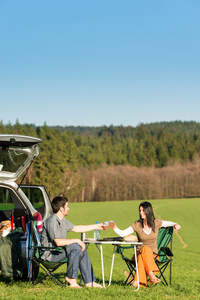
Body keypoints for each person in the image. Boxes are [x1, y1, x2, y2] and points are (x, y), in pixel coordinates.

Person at [112, 201, 181, 288]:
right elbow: (123, 233)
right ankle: (151, 274)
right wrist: (114, 227)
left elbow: (167, 223)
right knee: (145, 249)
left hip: (153, 256)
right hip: (138, 253)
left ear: (149, 211)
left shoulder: (156, 223)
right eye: (140, 211)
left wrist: (175, 224)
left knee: (143, 255)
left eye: (143, 211)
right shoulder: (137, 225)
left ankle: (136, 283)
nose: (141, 213)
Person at [40, 196, 104, 288]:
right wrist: (77, 240)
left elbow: (77, 228)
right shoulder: (52, 221)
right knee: (75, 246)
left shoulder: (62, 221)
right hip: (50, 254)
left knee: (81, 248)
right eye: (67, 206)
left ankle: (89, 282)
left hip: (58, 251)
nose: (69, 208)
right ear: (61, 209)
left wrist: (97, 226)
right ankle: (71, 278)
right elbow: (58, 242)